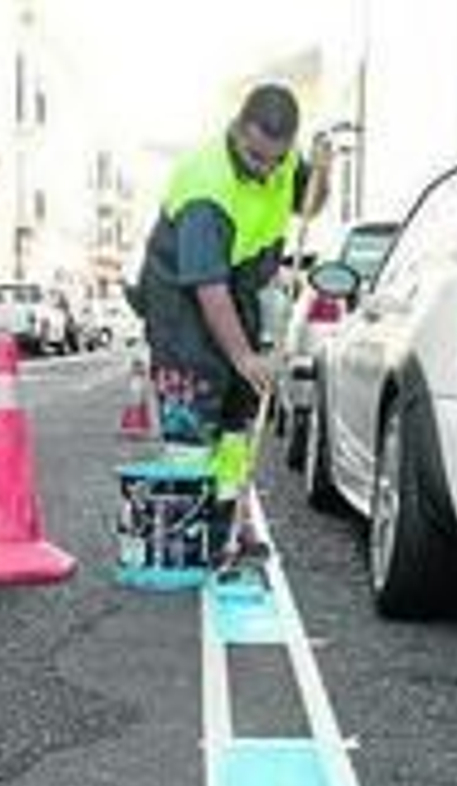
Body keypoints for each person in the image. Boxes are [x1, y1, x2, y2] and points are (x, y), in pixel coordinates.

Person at [134, 82, 332, 561]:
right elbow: (207, 286)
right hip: (180, 301)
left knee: (235, 419)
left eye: (275, 159)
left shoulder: (282, 160)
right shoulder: (207, 187)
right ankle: (185, 534)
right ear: (239, 129)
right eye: (255, 156)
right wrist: (242, 355)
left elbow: (309, 201)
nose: (265, 169)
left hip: (237, 287)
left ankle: (227, 524)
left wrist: (324, 173)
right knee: (192, 419)